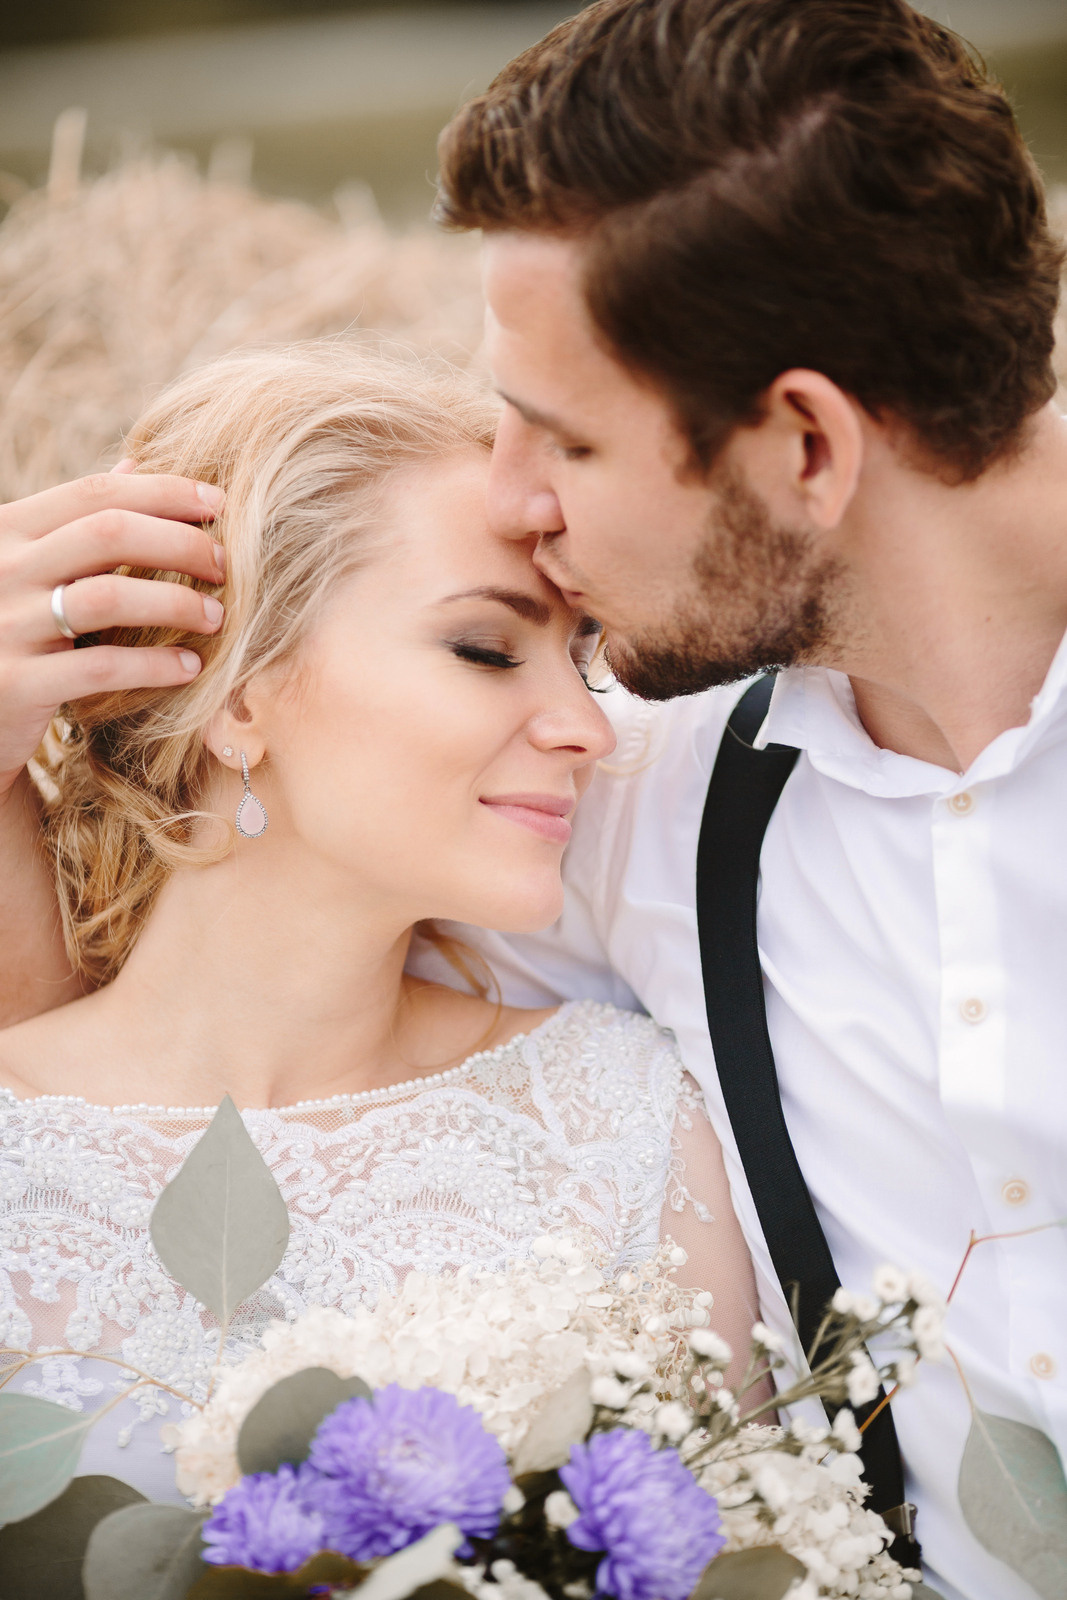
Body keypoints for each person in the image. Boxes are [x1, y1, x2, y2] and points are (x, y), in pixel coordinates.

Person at [0, 0, 1061, 1594]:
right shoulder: (642, 788)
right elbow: (162, 1070)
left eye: (558, 435)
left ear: (804, 447)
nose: (511, 498)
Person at [0, 344, 761, 1504]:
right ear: (239, 694)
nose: (586, 728)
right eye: (484, 648)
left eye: (582, 656)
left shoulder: (617, 1118)